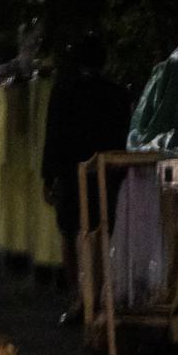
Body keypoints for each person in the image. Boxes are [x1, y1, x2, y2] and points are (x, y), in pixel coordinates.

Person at [41, 32, 133, 324]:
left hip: (71, 172)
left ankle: (79, 297)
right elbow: (123, 135)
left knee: (71, 234)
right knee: (103, 231)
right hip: (107, 172)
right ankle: (104, 295)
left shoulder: (64, 91)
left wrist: (49, 174)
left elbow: (53, 135)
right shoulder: (117, 94)